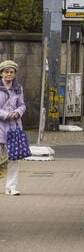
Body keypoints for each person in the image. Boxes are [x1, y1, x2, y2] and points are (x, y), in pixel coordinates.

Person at [0, 60, 26, 195]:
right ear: (1, 73)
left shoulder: (18, 88)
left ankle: (11, 187)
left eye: (12, 72)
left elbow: (22, 104)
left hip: (14, 129)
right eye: (6, 72)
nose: (9, 74)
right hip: (0, 127)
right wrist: (6, 114)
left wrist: (18, 112)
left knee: (14, 159)